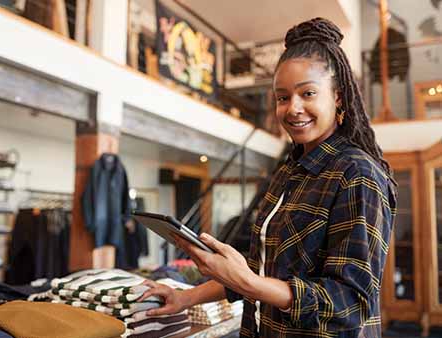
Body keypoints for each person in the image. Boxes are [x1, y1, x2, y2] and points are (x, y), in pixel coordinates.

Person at [140, 17, 398, 338]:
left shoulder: (358, 175)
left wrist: (247, 281)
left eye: (308, 93)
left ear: (338, 97)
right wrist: (186, 297)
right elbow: (263, 270)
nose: (293, 108)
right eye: (282, 97)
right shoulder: (287, 173)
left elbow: (348, 305)